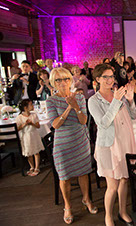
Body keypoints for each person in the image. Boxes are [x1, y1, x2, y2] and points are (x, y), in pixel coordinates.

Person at [88, 64, 136, 226]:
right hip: (108, 146)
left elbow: (133, 116)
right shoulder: (93, 101)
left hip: (124, 143)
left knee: (124, 180)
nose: (110, 80)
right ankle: (108, 216)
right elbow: (103, 123)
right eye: (106, 77)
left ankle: (122, 211)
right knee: (112, 186)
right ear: (97, 79)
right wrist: (116, 101)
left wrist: (130, 101)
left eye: (112, 76)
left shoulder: (119, 95)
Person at [46, 67, 97, 224]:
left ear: (71, 80)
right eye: (58, 80)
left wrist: (75, 105)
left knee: (83, 172)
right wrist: (69, 107)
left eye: (66, 79)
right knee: (64, 176)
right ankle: (67, 206)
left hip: (80, 140)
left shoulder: (80, 97)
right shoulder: (51, 101)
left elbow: (83, 121)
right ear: (53, 83)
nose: (63, 83)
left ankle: (86, 199)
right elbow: (55, 124)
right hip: (62, 142)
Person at [16, 99, 44, 177]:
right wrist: (25, 124)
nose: (32, 106)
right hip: (26, 136)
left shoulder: (34, 115)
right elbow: (18, 128)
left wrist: (32, 123)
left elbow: (38, 126)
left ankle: (37, 167)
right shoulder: (19, 117)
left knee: (36, 151)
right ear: (25, 107)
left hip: (34, 135)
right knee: (29, 152)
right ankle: (31, 166)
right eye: (31, 104)